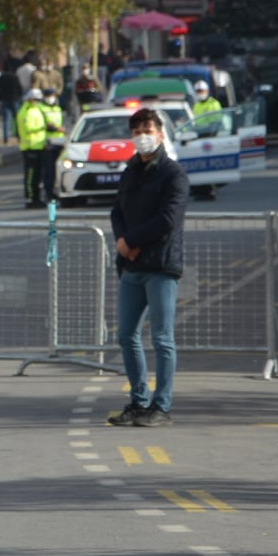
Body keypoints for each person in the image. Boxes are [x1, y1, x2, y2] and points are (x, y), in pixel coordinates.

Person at [106, 108, 189, 428]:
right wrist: (122, 242)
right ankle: (139, 401)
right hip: (131, 266)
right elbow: (117, 211)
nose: (142, 135)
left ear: (160, 133)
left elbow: (167, 221)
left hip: (160, 266)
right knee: (126, 335)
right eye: (137, 130)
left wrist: (133, 241)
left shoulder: (173, 174)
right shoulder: (130, 171)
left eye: (148, 129)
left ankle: (161, 406)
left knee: (162, 338)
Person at [16, 88, 63, 207]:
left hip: (39, 146)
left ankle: (36, 198)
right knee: (31, 176)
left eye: (39, 100)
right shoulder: (25, 111)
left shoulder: (36, 109)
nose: (37, 102)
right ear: (30, 99)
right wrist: (44, 127)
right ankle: (31, 199)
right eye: (36, 100)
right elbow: (28, 128)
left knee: (38, 175)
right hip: (30, 147)